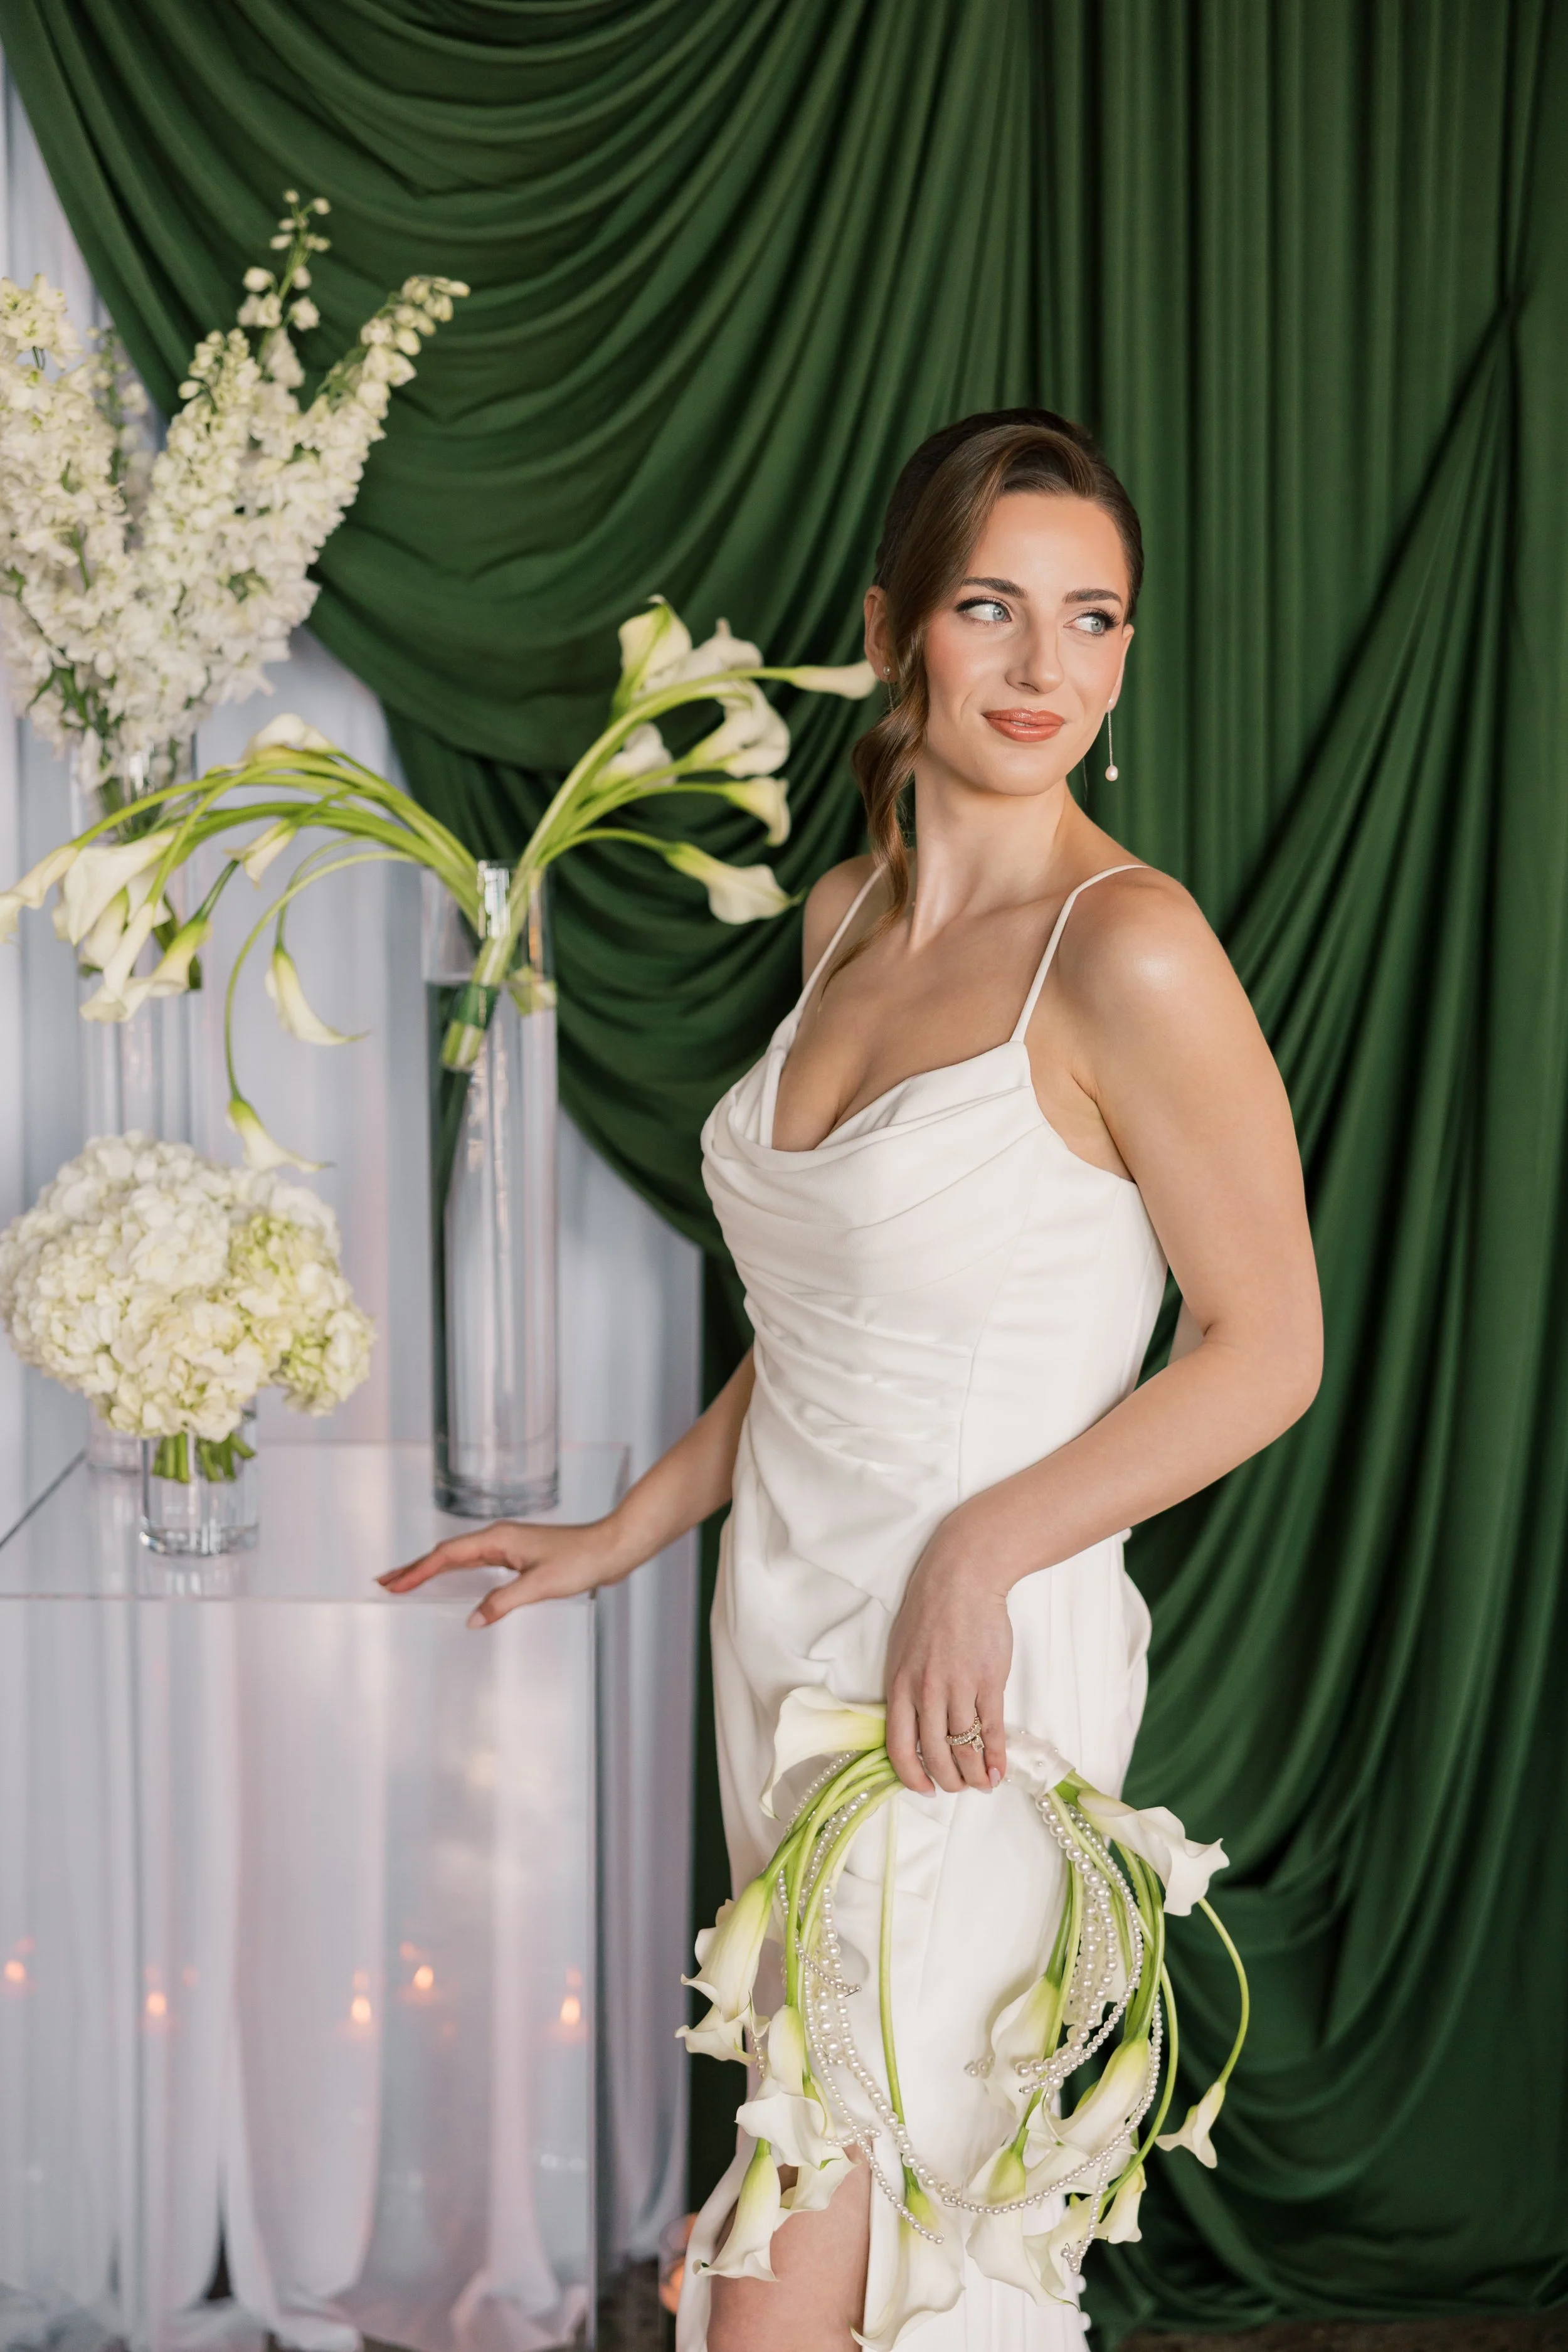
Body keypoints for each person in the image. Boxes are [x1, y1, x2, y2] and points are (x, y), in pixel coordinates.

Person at [381, 411, 1323, 2352]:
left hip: (966, 1676)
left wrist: (982, 1552)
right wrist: (631, 1524)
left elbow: (1270, 1351)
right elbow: (818, 1325)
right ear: (896, 628)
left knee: (821, 2243)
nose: (1047, 666)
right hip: (786, 1630)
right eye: (993, 607)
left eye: (1093, 617)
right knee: (856, 2211)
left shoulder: (1127, 950)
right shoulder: (846, 923)